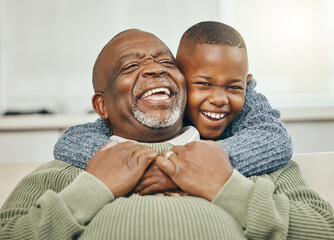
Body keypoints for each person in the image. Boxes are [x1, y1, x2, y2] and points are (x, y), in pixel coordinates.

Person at [1, 29, 333, 240]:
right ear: (101, 105)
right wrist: (93, 188)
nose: (155, 69)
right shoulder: (72, 166)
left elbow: (324, 229)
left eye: (165, 62)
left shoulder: (249, 159)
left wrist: (227, 187)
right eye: (131, 67)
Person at [53, 21, 293, 183]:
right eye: (203, 84)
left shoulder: (241, 105)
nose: (219, 99)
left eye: (233, 87)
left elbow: (274, 138)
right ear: (183, 77)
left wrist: (192, 168)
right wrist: (140, 169)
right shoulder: (159, 103)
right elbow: (72, 140)